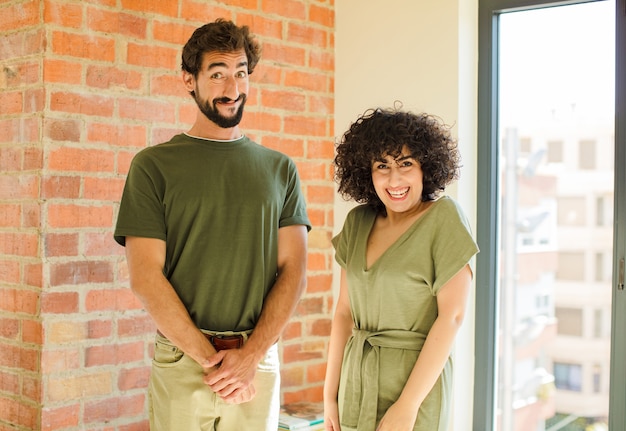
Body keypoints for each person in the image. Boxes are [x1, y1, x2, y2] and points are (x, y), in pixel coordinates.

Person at [114, 19, 311, 431]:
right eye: (217, 74)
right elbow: (145, 276)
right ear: (189, 80)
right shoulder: (153, 167)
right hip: (184, 358)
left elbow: (293, 271)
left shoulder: (280, 170)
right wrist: (216, 363)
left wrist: (250, 357)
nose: (232, 88)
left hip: (257, 360)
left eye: (241, 73)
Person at [323, 107, 479, 431]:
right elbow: (343, 313)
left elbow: (452, 317)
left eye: (406, 163)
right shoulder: (357, 222)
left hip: (415, 391)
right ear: (367, 172)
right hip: (355, 386)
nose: (394, 179)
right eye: (383, 166)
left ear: (426, 168)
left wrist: (407, 406)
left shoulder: (444, 218)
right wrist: (329, 395)